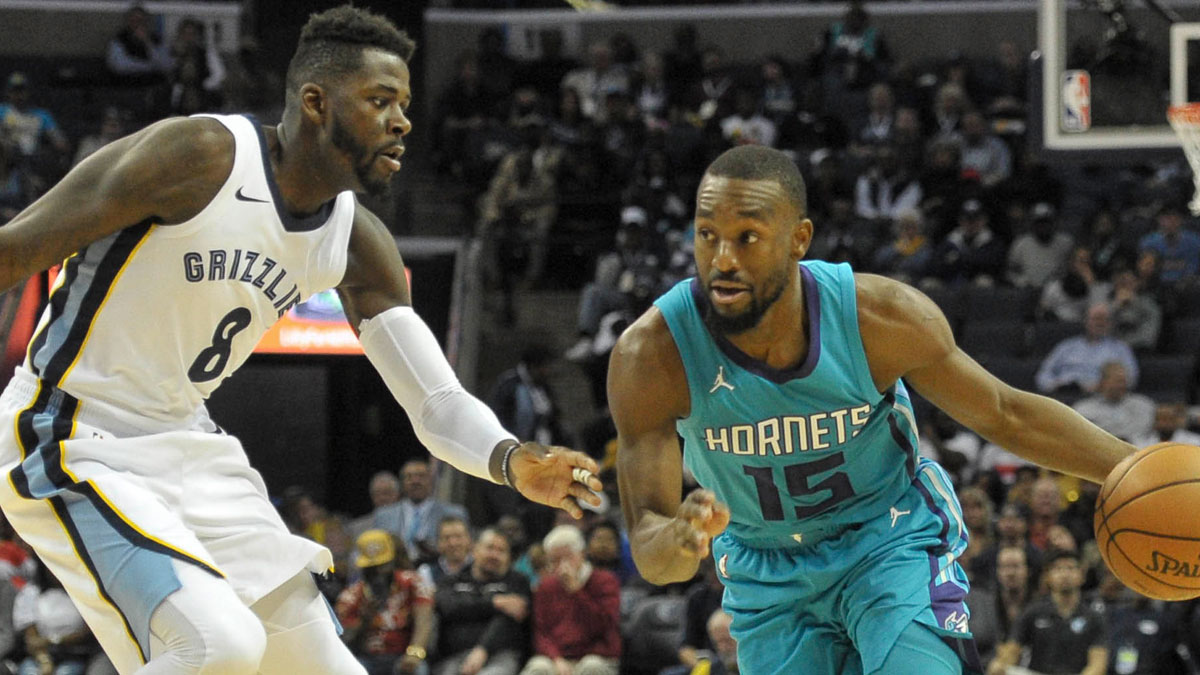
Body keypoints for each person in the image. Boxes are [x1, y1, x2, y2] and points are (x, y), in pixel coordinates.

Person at [0, 6, 601, 674]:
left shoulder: (354, 239)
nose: (403, 120)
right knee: (218, 644)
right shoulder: (200, 157)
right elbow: (13, 251)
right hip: (71, 426)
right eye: (381, 101)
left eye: (404, 103)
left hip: (187, 441)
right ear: (316, 102)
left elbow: (434, 401)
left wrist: (512, 458)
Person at [609, 145, 1136, 674]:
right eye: (707, 235)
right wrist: (679, 538)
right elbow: (654, 555)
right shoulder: (652, 356)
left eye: (747, 237)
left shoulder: (876, 318)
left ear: (799, 240)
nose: (723, 259)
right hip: (765, 567)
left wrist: (1135, 469)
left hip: (887, 538)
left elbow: (1006, 413)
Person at [988, 549, 1108, 675]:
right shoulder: (1033, 612)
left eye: (1071, 568)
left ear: (1082, 575)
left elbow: (1098, 665)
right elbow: (1011, 652)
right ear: (1047, 576)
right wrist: (1000, 665)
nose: (1064, 574)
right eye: (1058, 569)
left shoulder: (1094, 617)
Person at [521, 525, 620, 675]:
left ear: (582, 554)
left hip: (596, 655)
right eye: (554, 560)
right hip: (557, 658)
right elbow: (541, 632)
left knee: (592, 667)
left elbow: (604, 626)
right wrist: (556, 659)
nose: (562, 566)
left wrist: (576, 591)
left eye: (567, 557)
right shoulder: (546, 586)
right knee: (538, 668)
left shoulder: (605, 581)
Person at [432, 529, 529, 675]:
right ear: (475, 549)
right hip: (452, 657)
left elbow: (506, 620)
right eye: (489, 548)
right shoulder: (452, 581)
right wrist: (495, 603)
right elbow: (449, 607)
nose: (494, 555)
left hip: (499, 656)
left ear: (508, 557)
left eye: (501, 551)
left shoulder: (517, 582)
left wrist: (483, 649)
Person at [336, 530, 433, 675]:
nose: (378, 573)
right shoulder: (351, 596)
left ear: (392, 562)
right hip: (366, 658)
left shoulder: (412, 582)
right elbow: (343, 643)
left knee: (418, 670)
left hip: (403, 655)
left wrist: (415, 653)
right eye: (372, 568)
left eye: (383, 565)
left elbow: (424, 621)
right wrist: (364, 620)